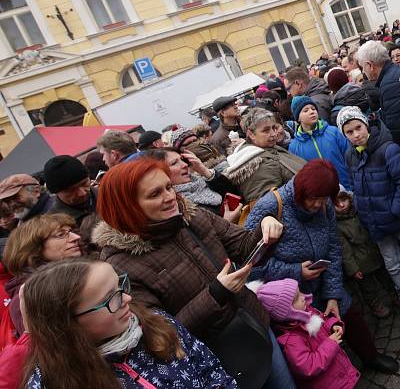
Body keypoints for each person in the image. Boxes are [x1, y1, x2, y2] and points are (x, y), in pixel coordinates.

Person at [93, 158, 293, 388]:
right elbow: (158, 335)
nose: (170, 197)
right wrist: (216, 294)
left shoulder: (192, 217)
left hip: (253, 326)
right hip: (211, 360)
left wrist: (265, 227)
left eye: (169, 187)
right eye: (155, 194)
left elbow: (244, 245)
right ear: (128, 206)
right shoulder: (120, 264)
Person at [244, 159, 399, 373]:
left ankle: (370, 357)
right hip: (292, 301)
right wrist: (297, 272)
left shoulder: (325, 205)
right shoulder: (270, 208)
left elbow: (334, 248)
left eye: (324, 199)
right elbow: (250, 264)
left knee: (350, 315)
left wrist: (333, 293)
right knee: (311, 346)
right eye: (313, 199)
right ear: (300, 191)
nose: (318, 205)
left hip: (322, 284)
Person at [21, 258, 237, 388]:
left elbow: (212, 371)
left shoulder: (157, 322)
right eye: (110, 299)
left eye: (120, 286)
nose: (127, 299)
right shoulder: (52, 382)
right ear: (66, 323)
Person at [336, 108, 400, 334]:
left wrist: (395, 210)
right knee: (392, 263)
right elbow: (357, 186)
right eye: (349, 132)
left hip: (398, 217)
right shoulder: (350, 155)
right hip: (375, 222)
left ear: (366, 125)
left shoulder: (387, 148)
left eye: (358, 128)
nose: (355, 134)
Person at [250, 278, 360, 389]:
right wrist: (331, 344)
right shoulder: (290, 340)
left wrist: (333, 325)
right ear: (285, 312)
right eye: (296, 299)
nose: (302, 298)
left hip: (340, 374)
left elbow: (323, 320)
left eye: (300, 293)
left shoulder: (306, 311)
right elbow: (308, 367)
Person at [3, 213, 83, 337]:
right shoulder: (28, 296)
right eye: (61, 234)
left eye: (71, 231)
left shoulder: (76, 273)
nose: (76, 237)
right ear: (33, 247)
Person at [223, 108, 306, 203]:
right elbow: (270, 206)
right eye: (266, 131)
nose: (274, 134)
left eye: (274, 128)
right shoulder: (257, 164)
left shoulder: (269, 147)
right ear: (251, 134)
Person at [333, 189, 392, 318]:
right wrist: (353, 269)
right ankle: (375, 305)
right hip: (361, 264)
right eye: (337, 203)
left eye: (343, 200)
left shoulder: (360, 211)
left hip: (375, 253)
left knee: (386, 278)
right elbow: (345, 250)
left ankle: (395, 295)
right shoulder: (337, 226)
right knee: (368, 288)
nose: (342, 205)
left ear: (349, 198)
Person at [140, 148, 241, 222]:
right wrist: (227, 223)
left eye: (182, 160)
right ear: (160, 173)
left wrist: (204, 171)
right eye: (174, 163)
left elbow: (235, 193)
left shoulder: (199, 182)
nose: (184, 165)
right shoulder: (175, 205)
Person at [356, 41, 400, 160]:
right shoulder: (393, 74)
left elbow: (399, 128)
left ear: (370, 65)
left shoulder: (390, 84)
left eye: (363, 67)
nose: (363, 72)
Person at [288, 96, 352, 191]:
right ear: (298, 118)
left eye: (313, 108)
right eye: (305, 110)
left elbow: (350, 157)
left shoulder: (333, 132)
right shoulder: (294, 147)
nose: (311, 111)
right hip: (321, 195)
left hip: (347, 187)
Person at [42, 156, 98, 240]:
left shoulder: (112, 194)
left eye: (84, 183)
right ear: (55, 192)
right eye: (70, 190)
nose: (82, 193)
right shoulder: (52, 224)